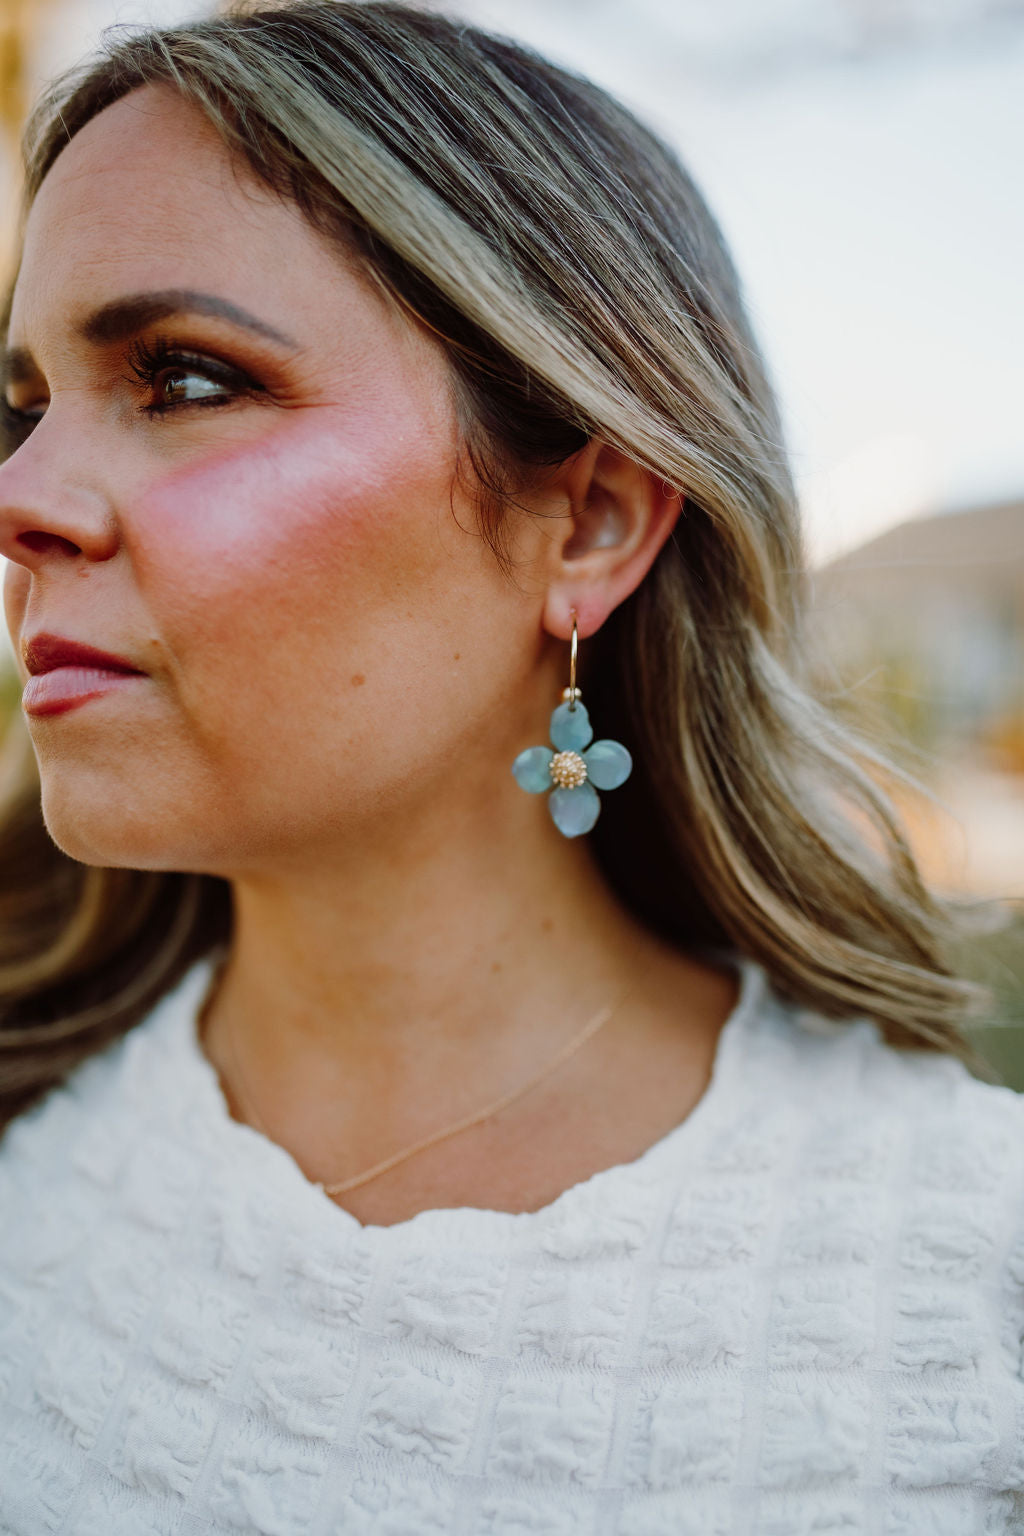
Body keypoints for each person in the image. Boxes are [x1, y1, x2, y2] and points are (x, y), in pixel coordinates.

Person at [0, 2, 1021, 1530]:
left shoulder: (967, 1270)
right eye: (21, 410)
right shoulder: (30, 1152)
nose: (23, 500)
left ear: (591, 519)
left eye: (186, 379)